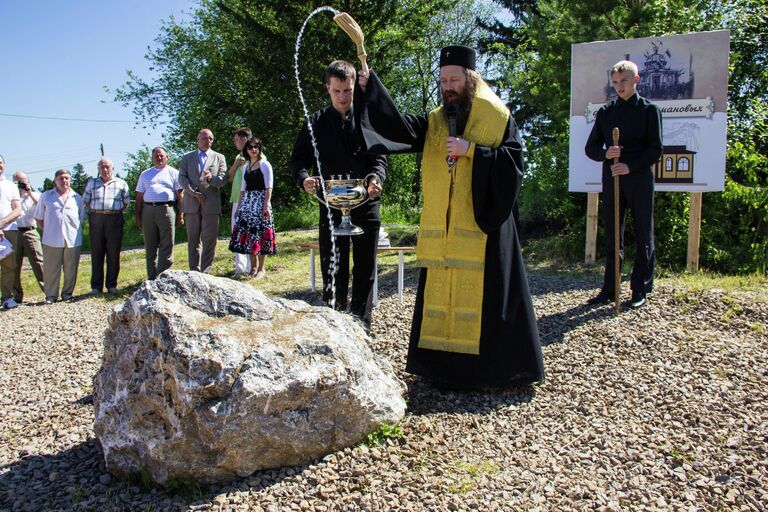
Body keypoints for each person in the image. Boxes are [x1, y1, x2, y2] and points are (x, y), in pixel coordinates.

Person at [356, 45, 543, 388]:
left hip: (483, 228)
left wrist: (472, 150)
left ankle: (490, 373)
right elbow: (399, 128)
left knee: (486, 300)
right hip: (444, 230)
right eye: (443, 80)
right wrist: (372, 89)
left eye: (454, 79)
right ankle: (442, 370)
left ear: (471, 79)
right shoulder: (437, 119)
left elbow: (514, 164)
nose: (448, 86)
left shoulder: (497, 116)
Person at [289, 60, 387, 328]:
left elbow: (379, 158)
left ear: (355, 86)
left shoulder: (368, 118)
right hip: (331, 205)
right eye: (337, 91)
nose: (343, 97)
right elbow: (297, 161)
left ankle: (362, 324)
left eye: (348, 90)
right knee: (334, 267)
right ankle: (335, 323)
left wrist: (375, 179)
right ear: (327, 89)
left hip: (366, 202)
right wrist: (304, 179)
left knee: (365, 268)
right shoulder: (315, 123)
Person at [585, 60, 662, 309]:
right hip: (613, 179)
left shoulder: (650, 110)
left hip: (639, 179)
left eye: (624, 81)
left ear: (636, 80)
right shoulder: (606, 113)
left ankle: (640, 289)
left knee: (643, 234)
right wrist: (606, 154)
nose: (619, 86)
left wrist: (630, 166)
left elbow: (655, 149)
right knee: (613, 236)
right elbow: (591, 148)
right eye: (616, 82)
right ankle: (610, 288)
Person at [178, 128, 227, 273]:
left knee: (210, 240)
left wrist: (212, 178)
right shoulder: (187, 157)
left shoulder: (219, 157)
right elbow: (181, 178)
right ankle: (194, 270)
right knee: (193, 240)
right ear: (198, 140)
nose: (208, 141)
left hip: (211, 204)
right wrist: (193, 192)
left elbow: (223, 180)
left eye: (211, 139)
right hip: (191, 204)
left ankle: (206, 271)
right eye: (205, 138)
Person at [34, 169, 85, 303]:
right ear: (55, 180)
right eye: (61, 178)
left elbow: (81, 218)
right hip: (51, 239)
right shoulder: (46, 196)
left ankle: (67, 293)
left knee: (71, 269)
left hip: (72, 239)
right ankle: (51, 295)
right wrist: (49, 229)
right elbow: (39, 217)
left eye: (67, 178)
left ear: (70, 180)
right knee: (51, 269)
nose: (64, 181)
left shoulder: (77, 198)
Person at [229, 137, 276, 277]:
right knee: (249, 235)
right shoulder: (245, 167)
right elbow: (243, 189)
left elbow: (269, 186)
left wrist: (266, 205)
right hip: (248, 203)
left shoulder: (264, 164)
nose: (253, 150)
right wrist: (239, 207)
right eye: (250, 147)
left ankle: (261, 268)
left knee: (261, 234)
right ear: (247, 150)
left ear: (259, 148)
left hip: (261, 202)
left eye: (256, 147)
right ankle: (253, 268)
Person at [82, 157, 130, 294]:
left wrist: (113, 211)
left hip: (114, 218)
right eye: (102, 167)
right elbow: (85, 201)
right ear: (98, 169)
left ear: (113, 168)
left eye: (107, 167)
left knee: (113, 253)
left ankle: (112, 285)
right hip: (96, 218)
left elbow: (126, 203)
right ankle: (96, 287)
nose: (105, 169)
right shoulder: (92, 183)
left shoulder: (121, 183)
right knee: (97, 252)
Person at [135, 147, 183, 280]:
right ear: (152, 158)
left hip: (167, 209)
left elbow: (180, 195)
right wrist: (137, 216)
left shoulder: (173, 172)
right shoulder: (145, 174)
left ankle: (163, 276)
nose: (159, 158)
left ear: (167, 157)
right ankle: (151, 277)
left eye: (161, 155)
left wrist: (180, 214)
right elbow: (139, 197)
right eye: (156, 156)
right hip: (148, 210)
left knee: (167, 244)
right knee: (150, 245)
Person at [12, 171, 45, 302]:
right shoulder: (12, 196)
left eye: (23, 181)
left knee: (38, 262)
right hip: (15, 232)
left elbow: (42, 207)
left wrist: (29, 192)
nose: (21, 184)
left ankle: (48, 291)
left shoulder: (35, 195)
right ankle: (16, 295)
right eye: (18, 181)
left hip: (30, 230)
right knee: (14, 265)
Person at [227, 127, 253, 276]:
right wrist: (236, 164)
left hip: (249, 199)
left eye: (237, 139)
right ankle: (240, 268)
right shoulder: (239, 156)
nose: (235, 142)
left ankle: (251, 267)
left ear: (244, 139)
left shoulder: (256, 154)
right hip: (236, 198)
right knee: (237, 232)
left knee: (249, 232)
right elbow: (229, 178)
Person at [0, 154, 21, 309]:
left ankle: (7, 298)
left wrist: (1, 225)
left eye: (0, 163)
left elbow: (17, 210)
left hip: (9, 231)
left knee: (9, 266)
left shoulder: (11, 186)